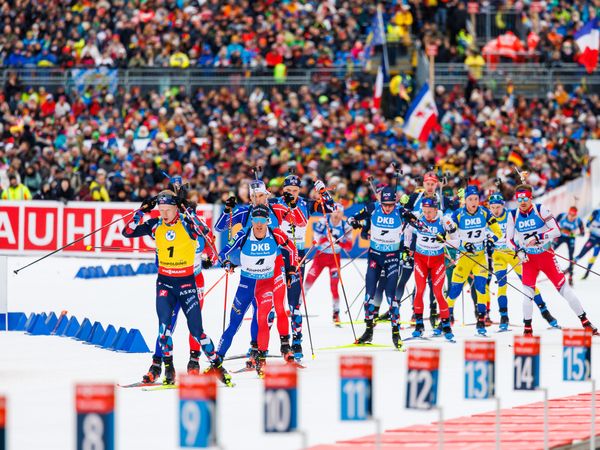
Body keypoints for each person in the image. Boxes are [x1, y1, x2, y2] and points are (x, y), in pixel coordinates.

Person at [122, 190, 233, 385]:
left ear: (175, 208)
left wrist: (186, 211)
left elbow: (205, 232)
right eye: (161, 209)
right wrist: (141, 211)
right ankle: (168, 368)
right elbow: (128, 232)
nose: (163, 214)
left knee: (197, 331)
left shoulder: (187, 224)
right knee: (164, 330)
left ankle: (217, 365)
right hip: (165, 283)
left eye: (167, 210)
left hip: (187, 283)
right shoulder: (155, 224)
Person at [214, 179, 293, 366]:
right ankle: (253, 350)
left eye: (261, 196)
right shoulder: (244, 211)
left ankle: (262, 349)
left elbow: (299, 219)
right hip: (250, 268)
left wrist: (293, 202)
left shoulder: (277, 208)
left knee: (267, 312)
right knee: (251, 314)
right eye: (254, 196)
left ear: (267, 195)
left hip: (274, 266)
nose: (258, 200)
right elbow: (219, 228)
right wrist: (227, 211)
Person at [506, 184, 597, 335]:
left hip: (546, 256)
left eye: (525, 198)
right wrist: (518, 250)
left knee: (564, 289)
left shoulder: (540, 209)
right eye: (519, 198)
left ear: (531, 197)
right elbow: (508, 240)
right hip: (529, 260)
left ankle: (585, 322)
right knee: (527, 294)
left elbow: (556, 231)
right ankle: (527, 329)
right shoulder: (513, 215)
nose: (522, 202)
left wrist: (538, 237)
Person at [275, 174, 335, 360]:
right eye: (288, 191)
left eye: (294, 190)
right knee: (272, 303)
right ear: (283, 190)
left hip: (296, 256)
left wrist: (323, 192)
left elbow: (331, 208)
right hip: (276, 255)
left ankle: (297, 341)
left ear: (299, 190)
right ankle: (260, 347)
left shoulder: (306, 204)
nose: (291, 194)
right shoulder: (274, 203)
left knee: (294, 302)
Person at [348, 186, 409, 350]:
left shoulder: (401, 211)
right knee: (368, 297)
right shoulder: (373, 207)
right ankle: (368, 331)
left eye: (391, 204)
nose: (388, 208)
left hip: (392, 258)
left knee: (391, 298)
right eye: (385, 204)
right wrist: (354, 222)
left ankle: (396, 334)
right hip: (374, 257)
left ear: (395, 202)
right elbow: (352, 218)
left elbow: (418, 224)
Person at [487, 193, 558, 331]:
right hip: (499, 256)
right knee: (501, 285)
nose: (495, 210)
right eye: (492, 207)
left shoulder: (510, 216)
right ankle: (504, 317)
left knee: (528, 285)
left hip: (514, 255)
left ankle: (545, 312)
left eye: (498, 207)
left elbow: (520, 234)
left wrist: (523, 246)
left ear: (503, 205)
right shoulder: (488, 219)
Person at [445, 185, 502, 336]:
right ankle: (446, 319)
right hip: (464, 257)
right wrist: (462, 244)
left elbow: (498, 232)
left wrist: (491, 240)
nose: (474, 202)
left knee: (481, 288)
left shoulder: (484, 212)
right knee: (455, 290)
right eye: (470, 199)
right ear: (465, 201)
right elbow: (450, 236)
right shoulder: (458, 214)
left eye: (476, 199)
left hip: (480, 258)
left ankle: (481, 320)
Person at [403, 196, 455, 341]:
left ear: (436, 209)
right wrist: (407, 249)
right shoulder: (419, 218)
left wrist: (445, 239)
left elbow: (457, 239)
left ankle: (446, 325)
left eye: (430, 212)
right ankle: (419, 325)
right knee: (419, 290)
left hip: (437, 261)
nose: (427, 214)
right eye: (425, 211)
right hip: (420, 259)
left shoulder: (444, 220)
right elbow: (408, 231)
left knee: (438, 293)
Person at [304, 203, 353, 325]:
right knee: (308, 281)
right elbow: (316, 242)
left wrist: (339, 241)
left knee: (334, 286)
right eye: (334, 212)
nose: (336, 215)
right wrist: (327, 237)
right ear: (331, 212)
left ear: (342, 214)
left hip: (334, 258)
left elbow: (349, 247)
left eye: (339, 213)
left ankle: (336, 313)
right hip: (320, 256)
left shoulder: (345, 226)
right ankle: (296, 306)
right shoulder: (323, 221)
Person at [554, 206, 585, 286]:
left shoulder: (578, 221)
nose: (571, 217)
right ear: (568, 213)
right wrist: (562, 230)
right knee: (551, 250)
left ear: (576, 215)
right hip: (560, 236)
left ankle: (570, 276)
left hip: (570, 238)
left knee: (571, 257)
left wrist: (574, 233)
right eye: (570, 215)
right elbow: (553, 225)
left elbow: (582, 233)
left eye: (573, 215)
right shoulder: (562, 216)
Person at [575, 208, 600, 280]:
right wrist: (595, 226)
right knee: (582, 253)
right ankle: (570, 269)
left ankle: (587, 273)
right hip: (593, 238)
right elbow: (588, 224)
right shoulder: (596, 212)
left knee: (594, 256)